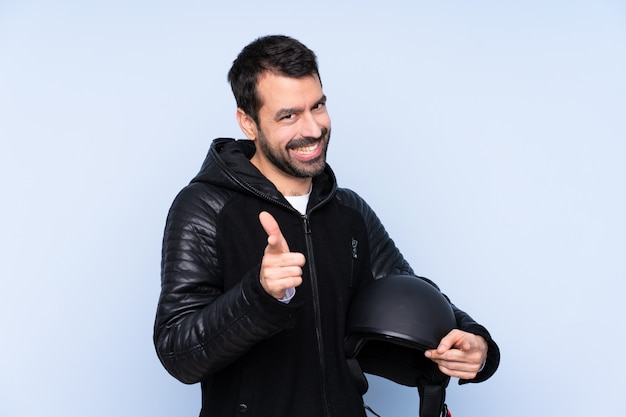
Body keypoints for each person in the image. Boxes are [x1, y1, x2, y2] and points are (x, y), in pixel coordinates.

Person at [153, 34, 500, 417]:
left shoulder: (348, 211)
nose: (313, 128)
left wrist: (475, 345)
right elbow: (177, 351)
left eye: (317, 106)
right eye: (289, 116)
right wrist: (260, 294)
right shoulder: (205, 208)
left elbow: (407, 293)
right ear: (248, 123)